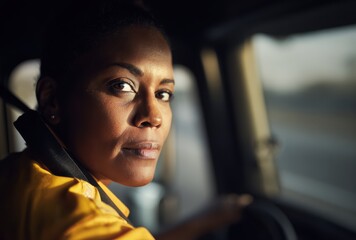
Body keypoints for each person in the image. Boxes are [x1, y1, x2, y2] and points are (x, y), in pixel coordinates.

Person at [0, 0, 252, 239]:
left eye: (163, 94)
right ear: (51, 99)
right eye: (122, 85)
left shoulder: (23, 176)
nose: (153, 117)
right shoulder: (78, 220)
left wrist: (202, 222)